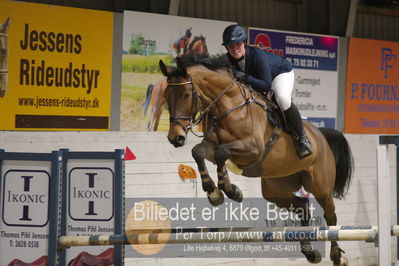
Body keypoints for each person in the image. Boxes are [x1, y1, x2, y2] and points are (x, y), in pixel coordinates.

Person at [222, 24, 312, 159]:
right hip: (259, 79)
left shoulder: (258, 56)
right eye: (230, 46)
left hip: (280, 73)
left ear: (244, 43)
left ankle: (302, 138)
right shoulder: (227, 59)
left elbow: (266, 85)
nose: (234, 49)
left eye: (238, 44)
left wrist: (246, 78)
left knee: (282, 98)